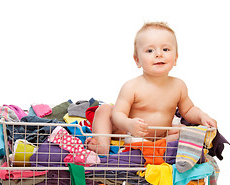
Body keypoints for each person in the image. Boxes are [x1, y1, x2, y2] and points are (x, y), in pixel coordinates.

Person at [86, 22, 217, 154]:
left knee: (184, 131)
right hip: (128, 133)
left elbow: (188, 110)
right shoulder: (132, 86)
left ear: (175, 58)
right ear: (137, 60)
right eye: (150, 50)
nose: (159, 54)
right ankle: (102, 145)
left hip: (159, 136)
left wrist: (201, 116)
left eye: (165, 49)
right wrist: (129, 124)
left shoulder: (179, 85)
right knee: (104, 110)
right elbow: (118, 114)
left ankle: (156, 146)